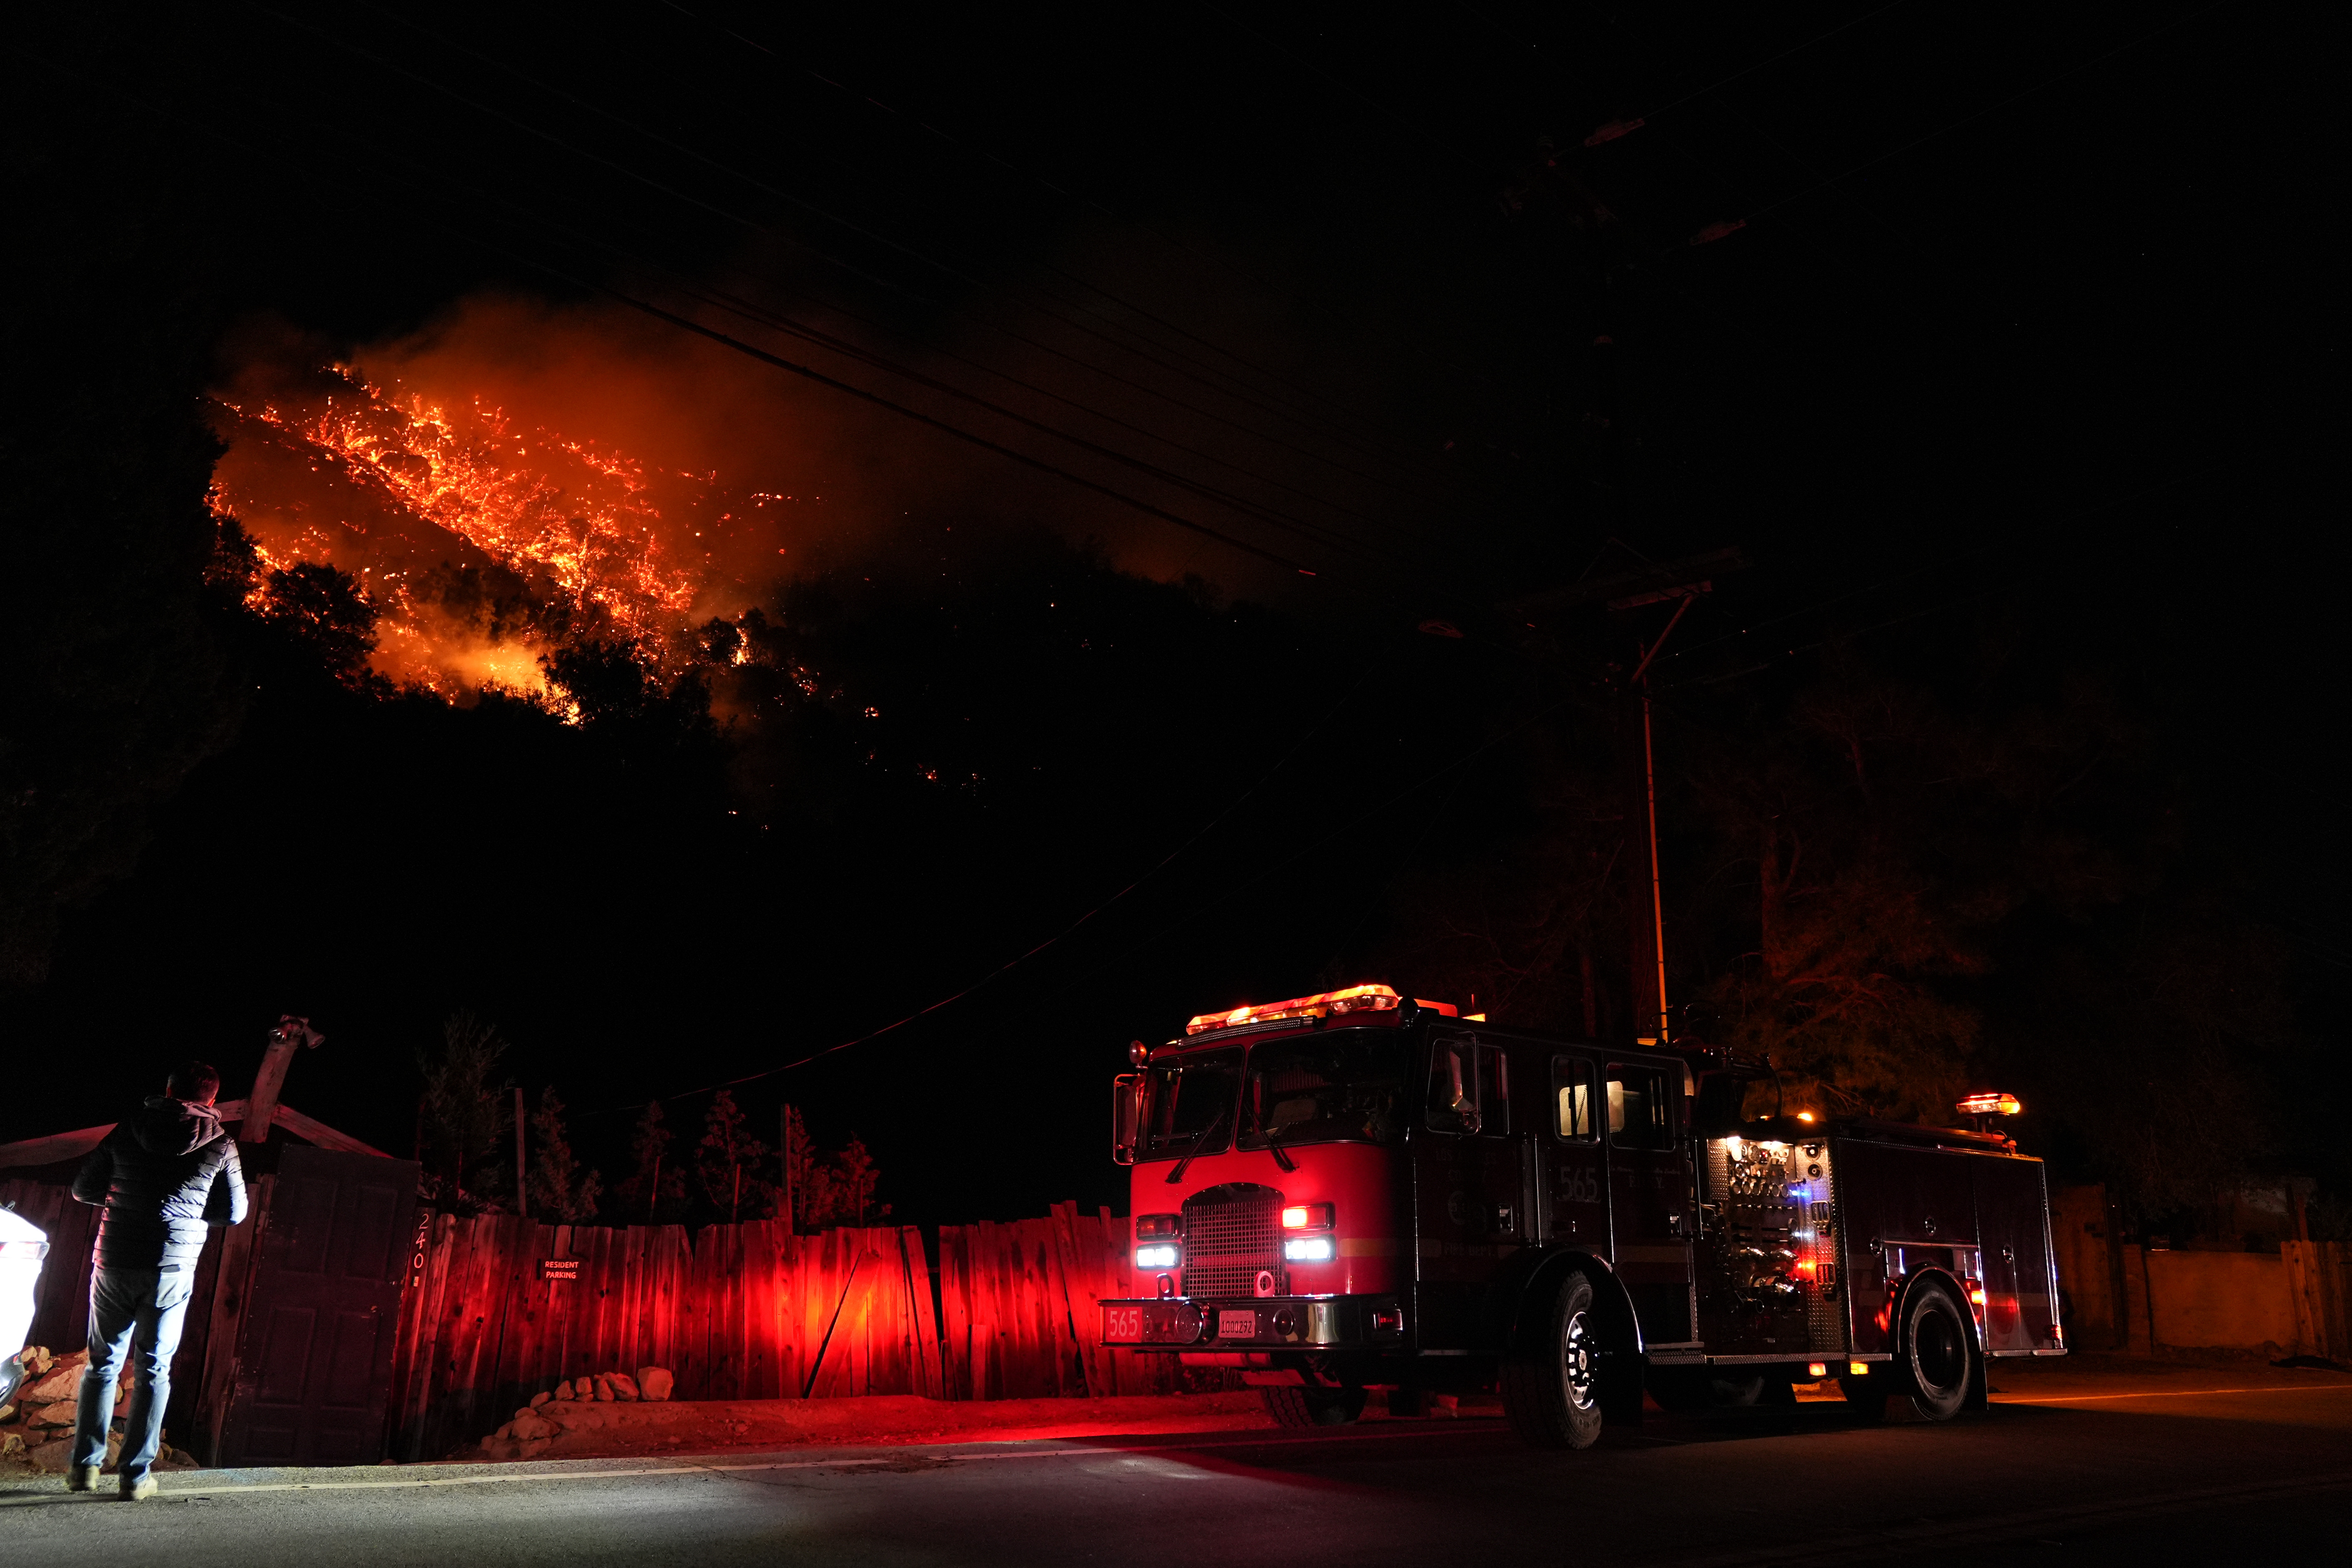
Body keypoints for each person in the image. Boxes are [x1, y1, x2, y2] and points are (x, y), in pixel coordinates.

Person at [67, 1059, 247, 1500]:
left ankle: (84, 1470)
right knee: (154, 1368)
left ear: (167, 1092)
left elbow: (82, 1189)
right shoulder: (221, 1144)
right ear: (212, 1101)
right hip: (171, 1266)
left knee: (102, 1365)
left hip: (116, 1258)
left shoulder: (128, 1129)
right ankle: (134, 1477)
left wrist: (122, 1199)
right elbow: (234, 1213)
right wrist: (190, 1212)